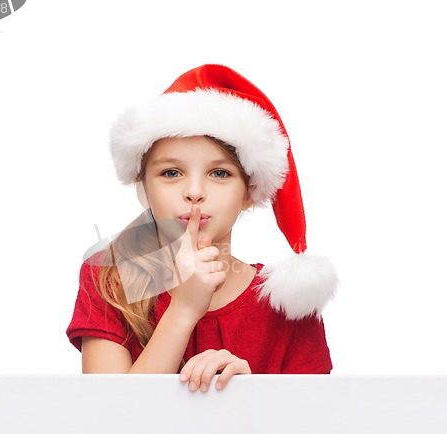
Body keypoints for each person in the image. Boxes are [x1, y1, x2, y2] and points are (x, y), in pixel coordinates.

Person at [66, 64, 338, 392]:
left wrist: (250, 395)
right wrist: (183, 310)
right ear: (143, 187)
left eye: (219, 173)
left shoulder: (287, 305)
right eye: (171, 173)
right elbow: (107, 421)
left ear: (249, 193)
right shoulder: (109, 281)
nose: (194, 191)